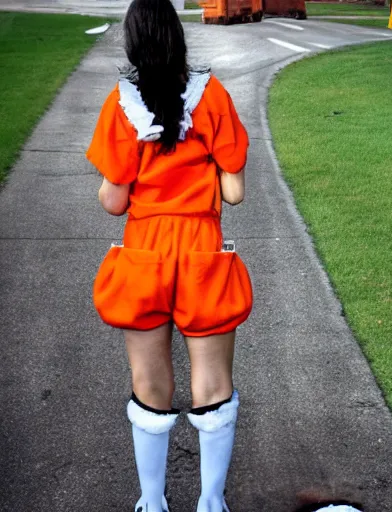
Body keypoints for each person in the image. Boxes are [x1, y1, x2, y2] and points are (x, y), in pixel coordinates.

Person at [86, 0, 253, 511]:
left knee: (150, 383)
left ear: (133, 42)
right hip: (201, 247)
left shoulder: (122, 104)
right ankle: (210, 502)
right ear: (178, 37)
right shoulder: (212, 95)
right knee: (213, 383)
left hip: (144, 250)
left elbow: (114, 201)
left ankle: (153, 501)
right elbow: (235, 192)